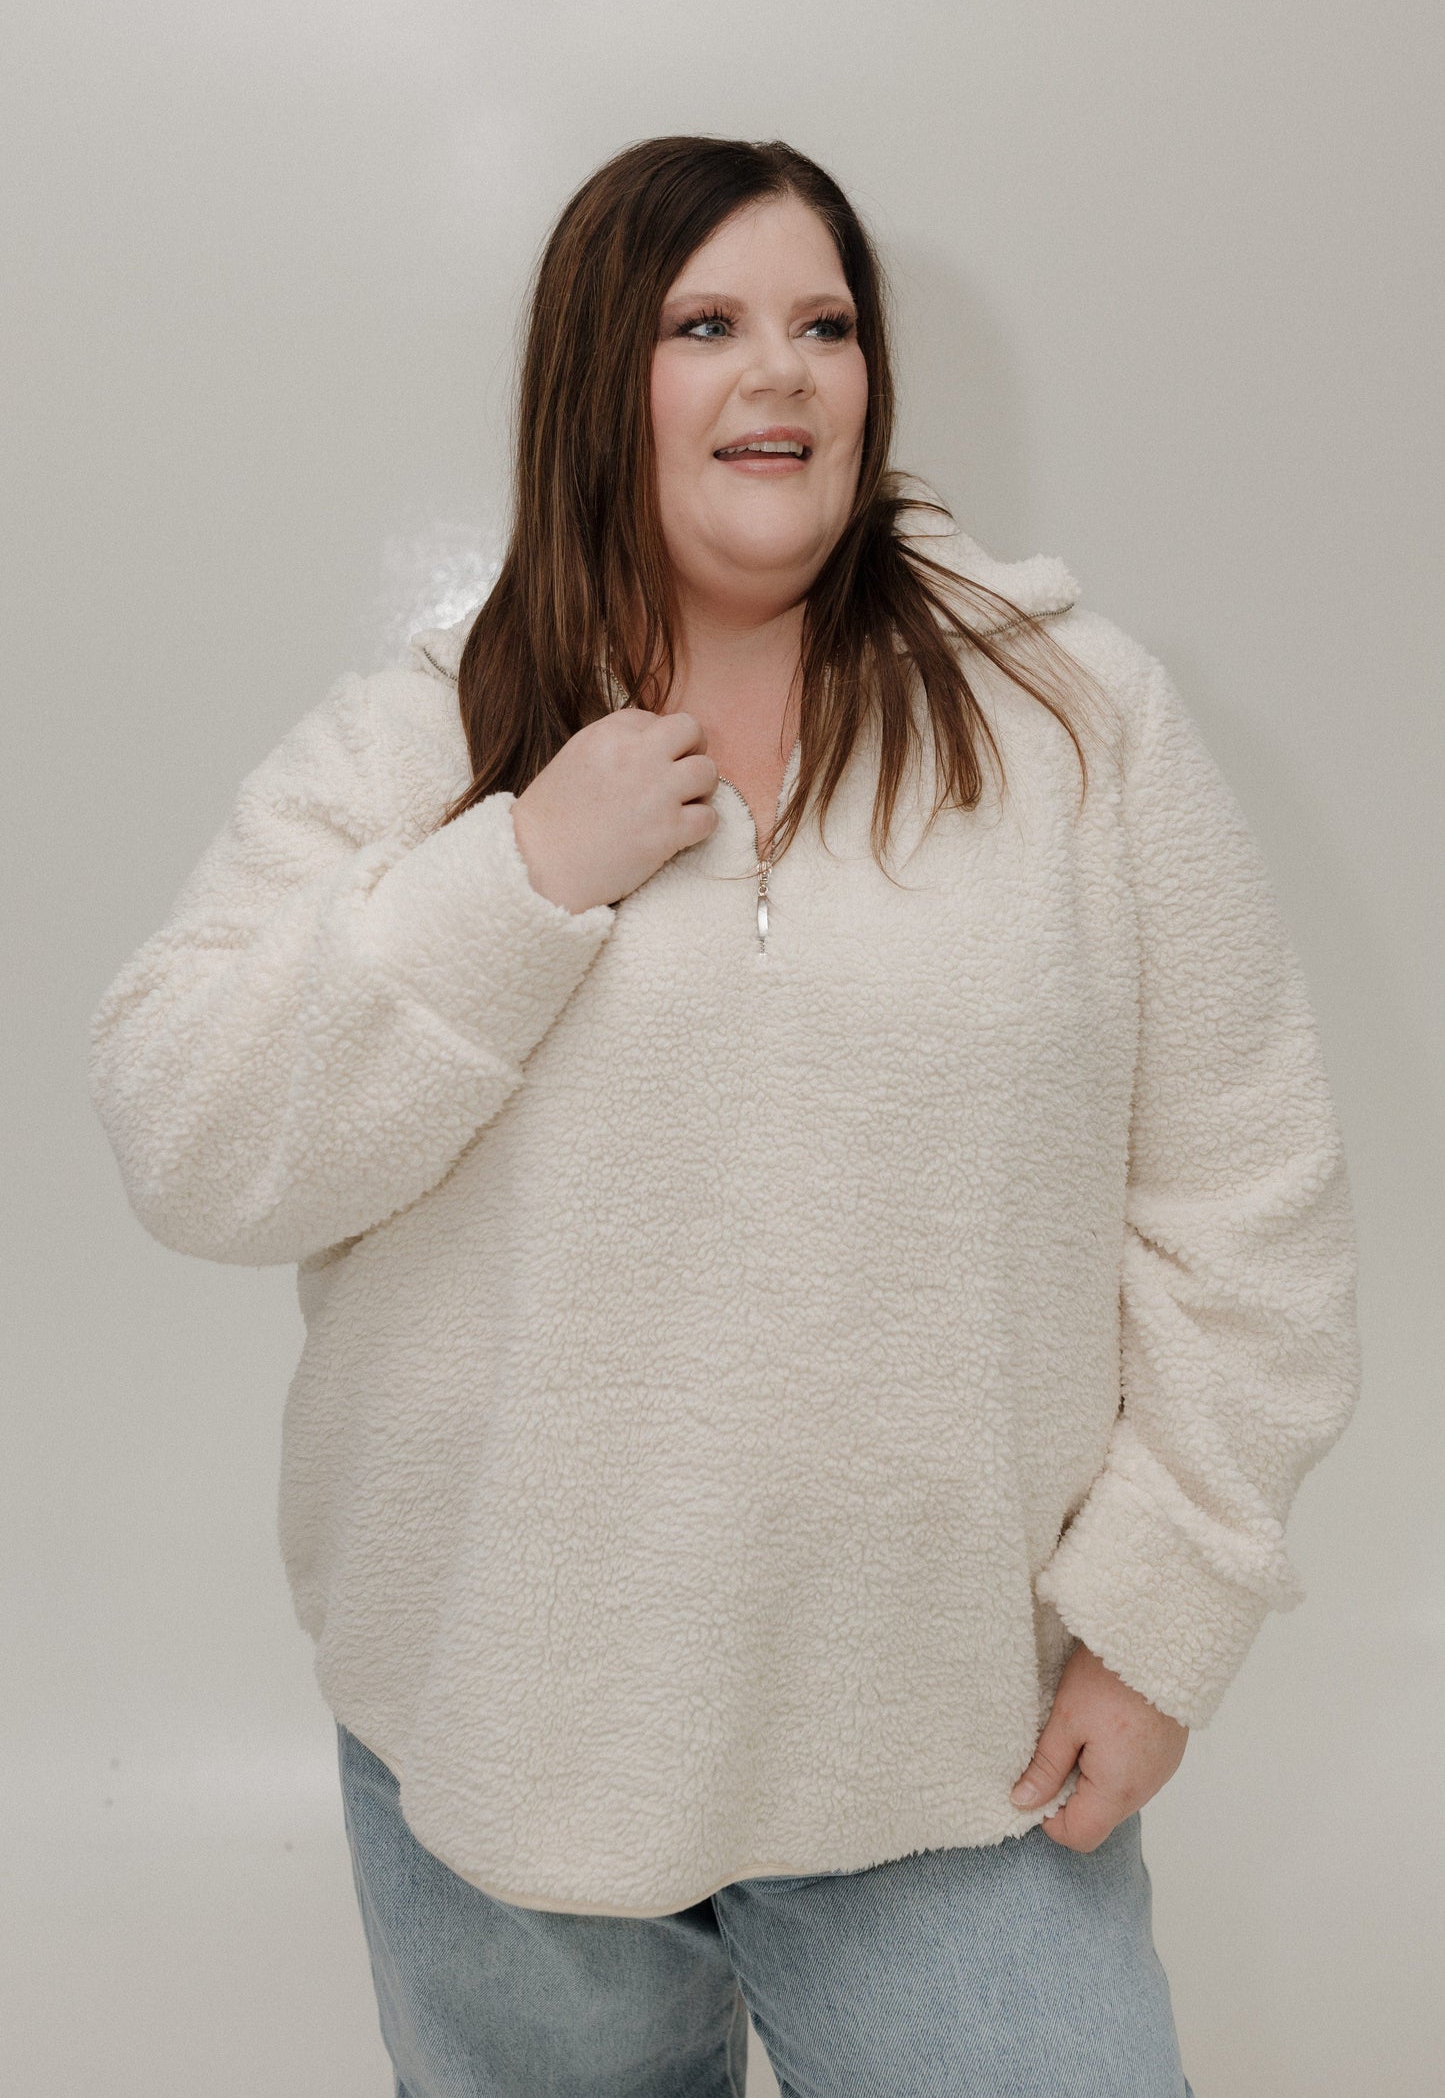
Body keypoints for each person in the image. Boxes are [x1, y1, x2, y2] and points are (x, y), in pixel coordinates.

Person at [88, 136, 1361, 2096]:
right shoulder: (428, 735)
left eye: (823, 326)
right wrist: (518, 875)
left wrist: (1161, 1614)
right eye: (707, 324)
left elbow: (1247, 1200)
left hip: (955, 1758)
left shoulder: (1079, 724)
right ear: (599, 377)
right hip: (504, 1766)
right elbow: (183, 1130)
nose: (781, 370)